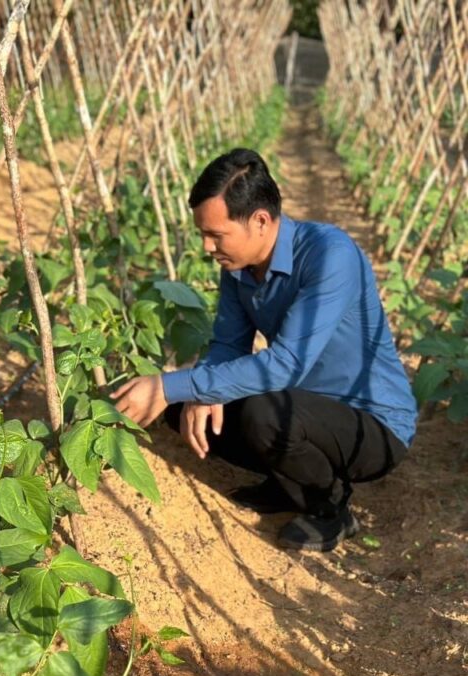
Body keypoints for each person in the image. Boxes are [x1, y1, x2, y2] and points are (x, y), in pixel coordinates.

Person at [112, 148, 416, 552]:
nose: (207, 247)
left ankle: (330, 507)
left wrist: (172, 384)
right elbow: (228, 345)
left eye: (216, 235)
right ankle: (288, 483)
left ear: (259, 221)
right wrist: (198, 392)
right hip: (301, 408)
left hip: (372, 426)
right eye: (203, 234)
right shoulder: (238, 269)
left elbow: (287, 364)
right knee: (184, 409)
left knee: (261, 413)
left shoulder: (330, 255)